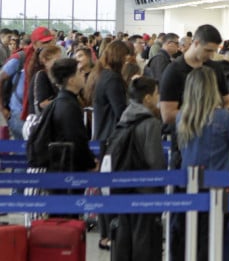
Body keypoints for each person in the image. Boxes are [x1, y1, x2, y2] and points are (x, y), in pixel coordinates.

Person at [175, 67, 229, 261]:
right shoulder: (224, 118)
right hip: (220, 188)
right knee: (213, 240)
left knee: (190, 239)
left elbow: (181, 150)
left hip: (188, 185)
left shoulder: (181, 117)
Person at [112, 76, 166, 261]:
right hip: (146, 192)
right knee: (144, 239)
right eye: (157, 94)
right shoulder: (150, 123)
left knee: (125, 237)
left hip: (124, 188)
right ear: (148, 98)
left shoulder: (125, 117)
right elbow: (155, 161)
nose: (159, 98)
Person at [92, 39, 131, 251]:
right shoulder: (113, 79)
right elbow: (121, 112)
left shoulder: (102, 76)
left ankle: (106, 234)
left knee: (105, 188)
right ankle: (108, 235)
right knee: (110, 189)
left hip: (103, 138)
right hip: (111, 140)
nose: (128, 61)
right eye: (125, 57)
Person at [159, 24, 229, 126]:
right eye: (208, 50)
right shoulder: (173, 71)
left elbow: (227, 101)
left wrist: (227, 115)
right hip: (186, 137)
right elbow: (168, 115)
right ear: (196, 43)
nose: (211, 55)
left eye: (213, 51)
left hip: (214, 134)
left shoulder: (215, 68)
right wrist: (207, 115)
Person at [0, 26, 55, 139]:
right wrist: (2, 109)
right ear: (35, 44)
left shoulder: (48, 60)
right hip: (19, 115)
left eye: (50, 41)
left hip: (39, 115)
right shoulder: (20, 58)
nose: (48, 45)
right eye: (44, 42)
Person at [46, 58, 97, 171]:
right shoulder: (68, 106)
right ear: (71, 80)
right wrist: (91, 163)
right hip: (68, 173)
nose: (83, 74)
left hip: (64, 167)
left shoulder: (64, 101)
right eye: (79, 72)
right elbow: (76, 140)